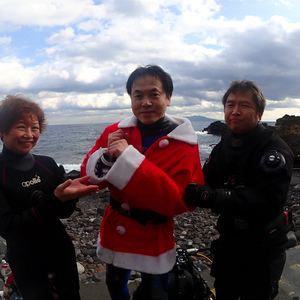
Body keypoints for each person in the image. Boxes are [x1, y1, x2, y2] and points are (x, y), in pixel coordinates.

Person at [80, 64, 204, 300]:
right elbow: (89, 176)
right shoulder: (115, 131)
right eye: (138, 95)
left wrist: (127, 157)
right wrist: (108, 154)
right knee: (115, 287)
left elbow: (178, 201)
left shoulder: (184, 144)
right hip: (117, 227)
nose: (145, 102)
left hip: (154, 231)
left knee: (156, 294)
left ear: (168, 97)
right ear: (131, 99)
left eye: (154, 94)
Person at [183, 79, 294, 300]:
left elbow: (266, 199)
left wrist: (213, 197)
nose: (235, 111)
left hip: (263, 246)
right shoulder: (227, 142)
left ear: (259, 113)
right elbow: (206, 178)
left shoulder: (274, 151)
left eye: (244, 105)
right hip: (230, 240)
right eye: (230, 105)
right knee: (225, 291)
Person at [0, 95, 99, 300]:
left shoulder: (46, 163)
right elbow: (8, 227)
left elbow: (63, 212)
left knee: (72, 296)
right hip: (26, 258)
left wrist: (71, 195)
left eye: (34, 128)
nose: (29, 135)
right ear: (2, 131)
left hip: (60, 249)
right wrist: (55, 200)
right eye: (21, 127)